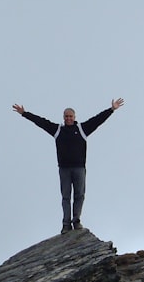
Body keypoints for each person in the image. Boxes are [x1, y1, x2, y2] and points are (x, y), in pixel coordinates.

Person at [12, 98, 124, 234]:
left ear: (74, 117)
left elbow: (98, 120)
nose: (68, 118)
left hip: (79, 168)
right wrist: (24, 113)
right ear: (63, 117)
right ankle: (66, 225)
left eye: (71, 116)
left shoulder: (82, 129)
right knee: (66, 197)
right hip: (64, 169)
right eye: (66, 116)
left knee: (79, 195)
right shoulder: (57, 130)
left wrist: (111, 109)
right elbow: (41, 122)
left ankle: (76, 221)